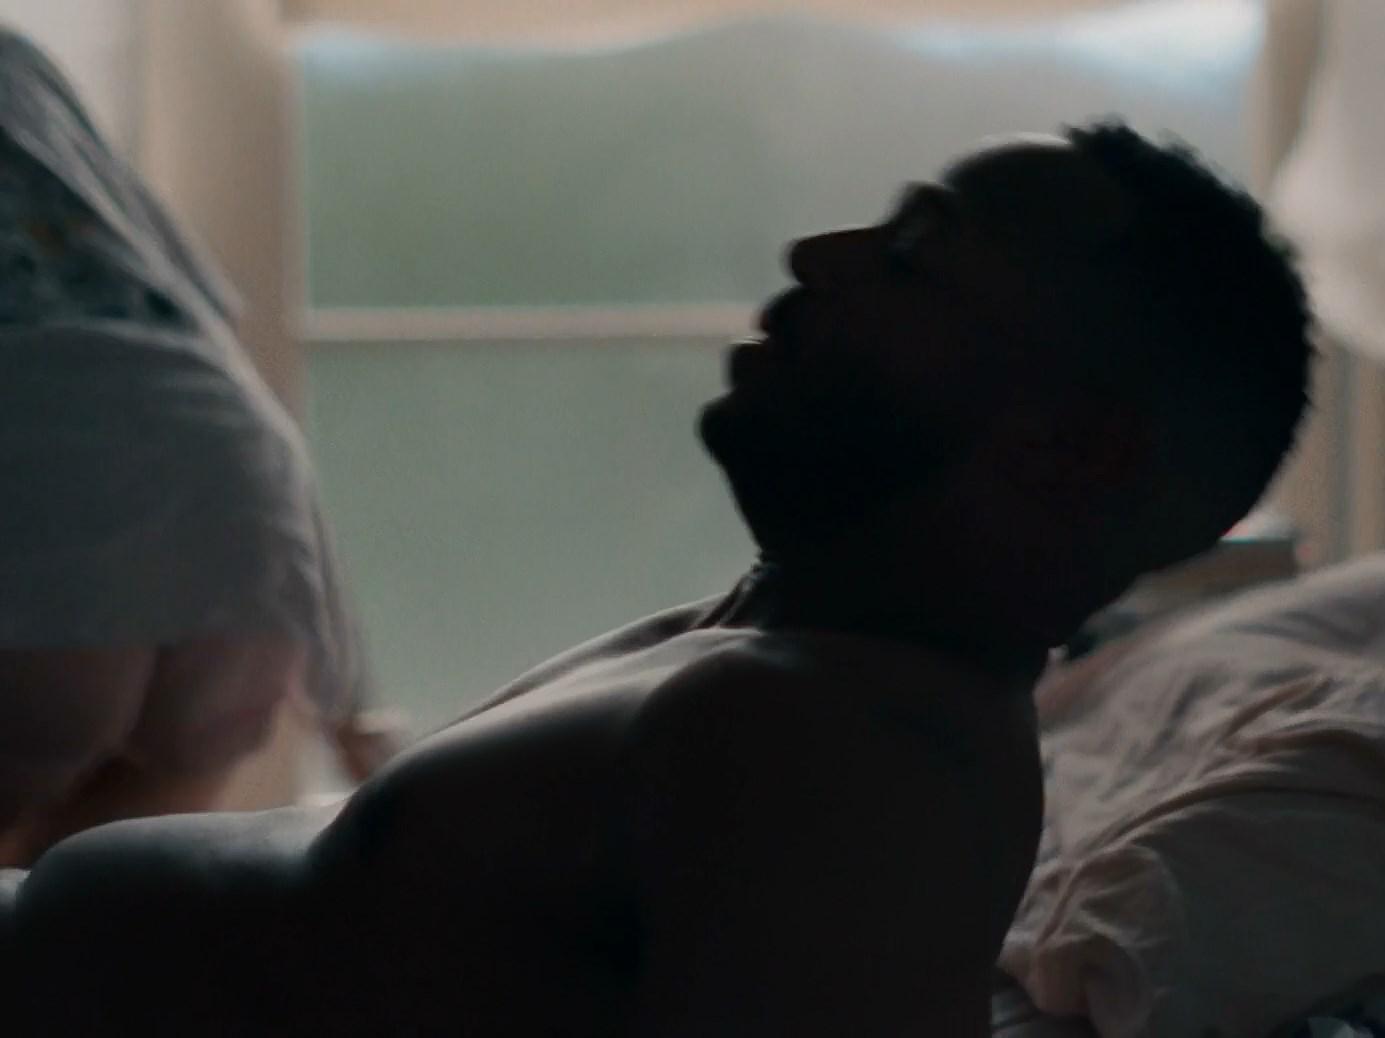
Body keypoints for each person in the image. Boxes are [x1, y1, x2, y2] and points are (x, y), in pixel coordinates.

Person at [1, 118, 1312, 1034]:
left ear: (1073, 449)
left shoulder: (864, 763)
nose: (820, 255)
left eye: (915, 256)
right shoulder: (784, 668)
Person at [0, 28, 382, 866]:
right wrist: (354, 703)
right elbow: (201, 328)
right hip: (230, 496)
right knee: (109, 909)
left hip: (34, 520)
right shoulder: (15, 62)